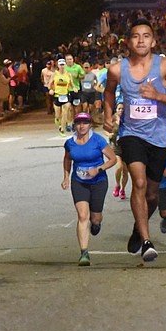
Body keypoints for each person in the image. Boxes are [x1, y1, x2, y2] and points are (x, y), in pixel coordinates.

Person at [103, 18, 166, 264]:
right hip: (131, 134)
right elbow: (108, 91)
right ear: (128, 41)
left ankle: (138, 229)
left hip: (159, 137)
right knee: (138, 183)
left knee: (152, 194)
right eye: (136, 36)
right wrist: (108, 115)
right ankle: (148, 241)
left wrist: (158, 96)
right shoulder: (117, 69)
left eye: (146, 36)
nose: (141, 40)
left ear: (153, 41)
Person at [61, 112, 117, 266]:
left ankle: (96, 223)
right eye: (79, 123)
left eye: (85, 123)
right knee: (82, 215)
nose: (82, 126)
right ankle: (84, 253)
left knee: (95, 217)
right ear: (75, 125)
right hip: (79, 182)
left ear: (90, 124)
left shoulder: (98, 141)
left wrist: (99, 169)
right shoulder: (70, 143)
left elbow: (113, 159)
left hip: (98, 181)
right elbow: (67, 159)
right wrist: (66, 177)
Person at [50, 58, 74, 135]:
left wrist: (74, 88)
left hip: (66, 95)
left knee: (65, 113)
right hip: (57, 95)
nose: (62, 66)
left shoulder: (68, 74)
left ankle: (63, 129)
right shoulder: (55, 74)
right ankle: (58, 121)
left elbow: (71, 84)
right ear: (58, 65)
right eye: (60, 64)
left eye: (63, 64)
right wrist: (51, 89)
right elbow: (50, 84)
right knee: (58, 115)